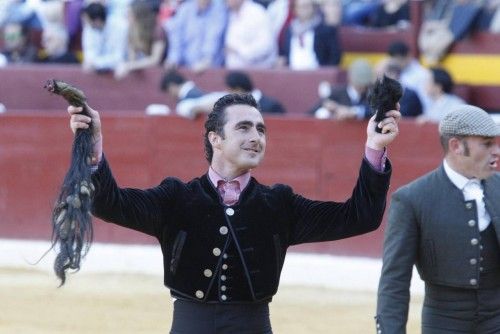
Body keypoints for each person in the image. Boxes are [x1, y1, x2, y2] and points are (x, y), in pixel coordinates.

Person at [68, 92, 400, 333]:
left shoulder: (279, 204)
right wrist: (93, 144)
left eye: (261, 130)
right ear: (215, 138)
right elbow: (109, 203)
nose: (256, 137)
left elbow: (360, 216)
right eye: (244, 128)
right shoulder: (176, 198)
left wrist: (375, 149)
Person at [376, 105, 500, 333]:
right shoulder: (412, 199)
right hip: (444, 324)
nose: (496, 151)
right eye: (486, 144)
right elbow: (395, 280)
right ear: (456, 146)